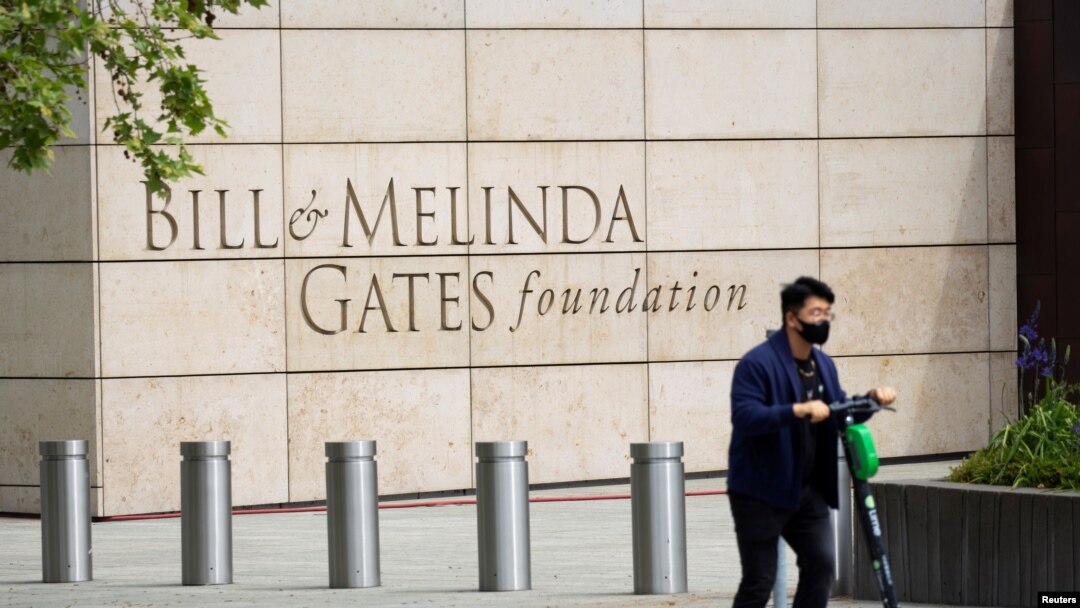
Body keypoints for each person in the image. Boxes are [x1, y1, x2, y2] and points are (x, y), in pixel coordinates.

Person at [727, 276, 897, 608]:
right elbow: (745, 417)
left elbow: (838, 412)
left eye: (827, 313)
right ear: (792, 318)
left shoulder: (823, 365)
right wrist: (796, 410)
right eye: (816, 312)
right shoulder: (757, 364)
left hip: (807, 491)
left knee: (821, 565)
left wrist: (872, 400)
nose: (823, 320)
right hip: (759, 491)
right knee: (759, 580)